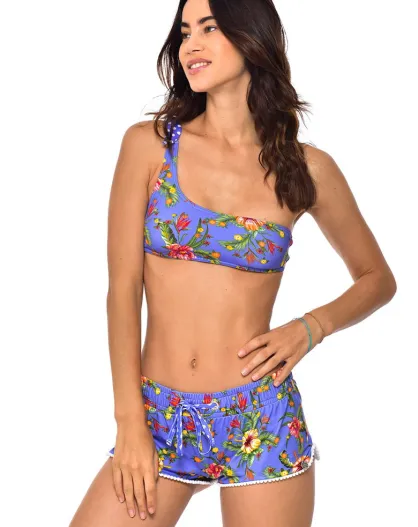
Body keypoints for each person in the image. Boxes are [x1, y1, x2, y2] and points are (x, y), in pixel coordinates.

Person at [69, 0, 397, 525]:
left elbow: (377, 278)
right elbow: (123, 289)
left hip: (261, 420)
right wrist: (130, 419)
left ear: (251, 38)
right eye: (184, 33)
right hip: (159, 419)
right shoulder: (149, 146)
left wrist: (310, 328)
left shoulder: (304, 167)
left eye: (209, 28)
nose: (191, 45)